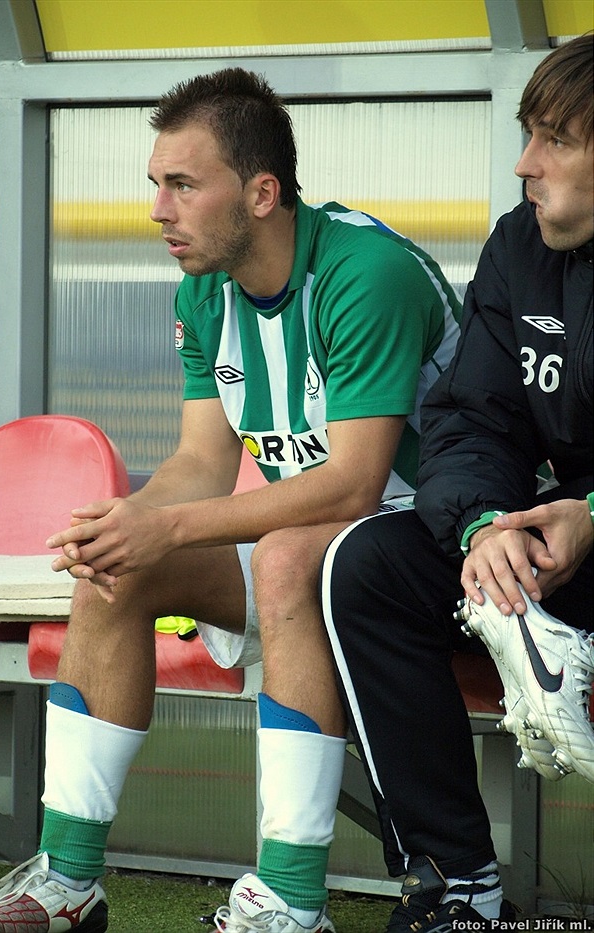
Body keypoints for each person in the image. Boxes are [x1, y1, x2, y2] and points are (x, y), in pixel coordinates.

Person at [0, 68, 461, 933]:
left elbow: (353, 483)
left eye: (182, 184)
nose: (158, 209)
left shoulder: (362, 273)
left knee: (291, 554)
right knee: (118, 570)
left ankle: (291, 903)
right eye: (155, 184)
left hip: (449, 555)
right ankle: (67, 882)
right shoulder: (204, 288)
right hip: (330, 548)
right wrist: (129, 522)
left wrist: (169, 525)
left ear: (262, 193)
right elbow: (199, 460)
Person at [320, 33, 593, 933]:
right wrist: (485, 526)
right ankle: (457, 884)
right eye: (528, 135)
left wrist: (593, 514)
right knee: (365, 563)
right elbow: (469, 415)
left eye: (556, 138)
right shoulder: (521, 247)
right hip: (546, 543)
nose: (527, 165)